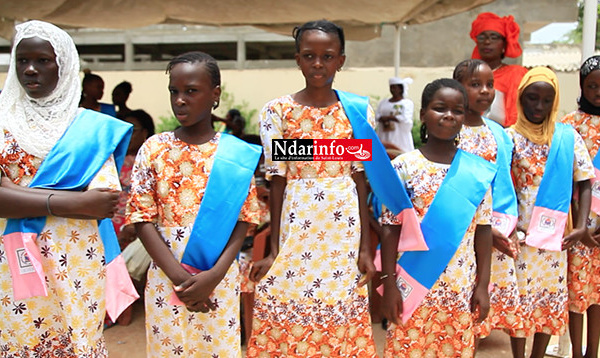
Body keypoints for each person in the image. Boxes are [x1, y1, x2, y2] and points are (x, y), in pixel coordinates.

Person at [0, 20, 136, 356]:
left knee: (77, 341)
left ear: (64, 64)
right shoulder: (3, 124)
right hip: (12, 256)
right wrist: (72, 203)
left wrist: (15, 193)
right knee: (21, 341)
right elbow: (84, 204)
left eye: (43, 60)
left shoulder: (89, 129)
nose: (30, 69)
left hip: (76, 262)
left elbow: (102, 203)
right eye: (22, 60)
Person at [245, 20, 380, 357]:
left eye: (327, 56)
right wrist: (274, 247)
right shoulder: (277, 112)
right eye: (309, 55)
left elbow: (361, 179)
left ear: (341, 60)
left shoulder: (358, 111)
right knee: (287, 301)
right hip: (297, 224)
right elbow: (277, 180)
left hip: (342, 229)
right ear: (298, 59)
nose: (318, 64)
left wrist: (365, 246)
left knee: (340, 307)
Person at [126, 51, 261, 357]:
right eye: (174, 91)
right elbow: (141, 218)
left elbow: (244, 219)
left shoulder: (235, 155)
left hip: (218, 276)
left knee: (216, 347)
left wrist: (213, 276)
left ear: (215, 95)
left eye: (191, 91)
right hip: (166, 275)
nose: (180, 100)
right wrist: (180, 278)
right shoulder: (155, 149)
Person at [380, 78, 494, 357]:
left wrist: (482, 285)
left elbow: (483, 230)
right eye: (439, 108)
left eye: (457, 110)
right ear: (423, 114)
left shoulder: (477, 172)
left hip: (459, 288)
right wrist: (389, 283)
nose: (448, 116)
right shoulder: (403, 167)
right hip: (412, 285)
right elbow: (389, 229)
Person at [506, 67, 594, 358]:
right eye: (532, 98)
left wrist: (580, 226)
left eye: (547, 100)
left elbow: (584, 181)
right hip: (520, 238)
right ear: (521, 98)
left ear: (555, 102)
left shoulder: (567, 138)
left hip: (556, 240)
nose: (538, 107)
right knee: (520, 303)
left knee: (545, 302)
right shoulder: (510, 139)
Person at [453, 59, 522, 343]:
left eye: (490, 85)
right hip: (462, 231)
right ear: (458, 88)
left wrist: (505, 226)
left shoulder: (499, 134)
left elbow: (504, 184)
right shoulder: (451, 132)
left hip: (497, 229)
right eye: (475, 84)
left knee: (486, 302)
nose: (485, 91)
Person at [560, 55, 600, 358]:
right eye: (592, 85)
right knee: (577, 292)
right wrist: (579, 223)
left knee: (597, 295)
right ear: (581, 86)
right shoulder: (568, 125)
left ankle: (593, 351)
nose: (598, 91)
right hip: (578, 222)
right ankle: (577, 352)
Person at [470, 12, 528, 127]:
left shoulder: (515, 74)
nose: (487, 42)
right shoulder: (468, 75)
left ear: (504, 45)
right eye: (482, 37)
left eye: (494, 37)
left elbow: (516, 117)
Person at [375, 77, 415, 153]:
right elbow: (377, 116)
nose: (392, 90)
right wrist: (383, 119)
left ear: (400, 89)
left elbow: (406, 119)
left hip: (399, 135)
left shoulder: (406, 103)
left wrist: (392, 118)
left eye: (394, 87)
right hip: (384, 133)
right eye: (391, 87)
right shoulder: (383, 102)